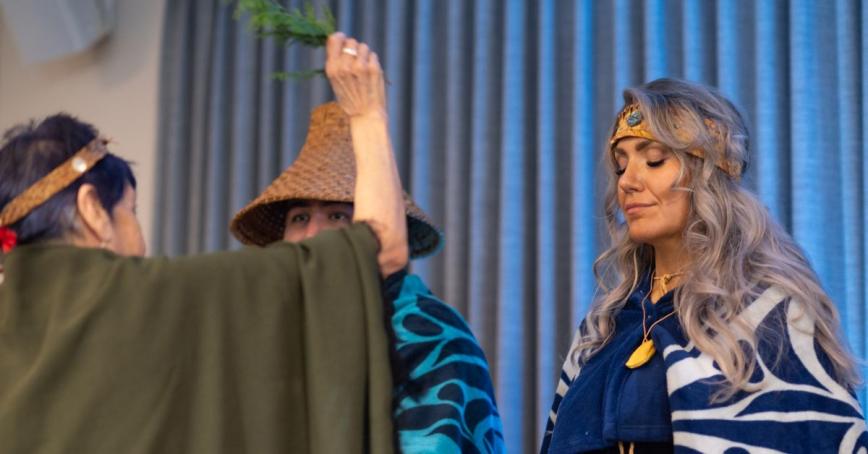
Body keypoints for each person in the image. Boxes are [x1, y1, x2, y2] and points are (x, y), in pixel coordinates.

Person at [0, 32, 404, 453]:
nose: (141, 240)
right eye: (130, 212)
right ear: (93, 210)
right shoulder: (157, 297)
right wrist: (367, 113)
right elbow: (383, 248)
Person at [540, 78, 867, 453]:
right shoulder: (603, 329)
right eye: (620, 166)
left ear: (707, 174)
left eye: (654, 160)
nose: (628, 182)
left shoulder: (768, 317)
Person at [230, 99, 505, 454]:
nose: (314, 235)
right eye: (299, 218)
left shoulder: (430, 331)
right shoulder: (266, 329)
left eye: (337, 216)